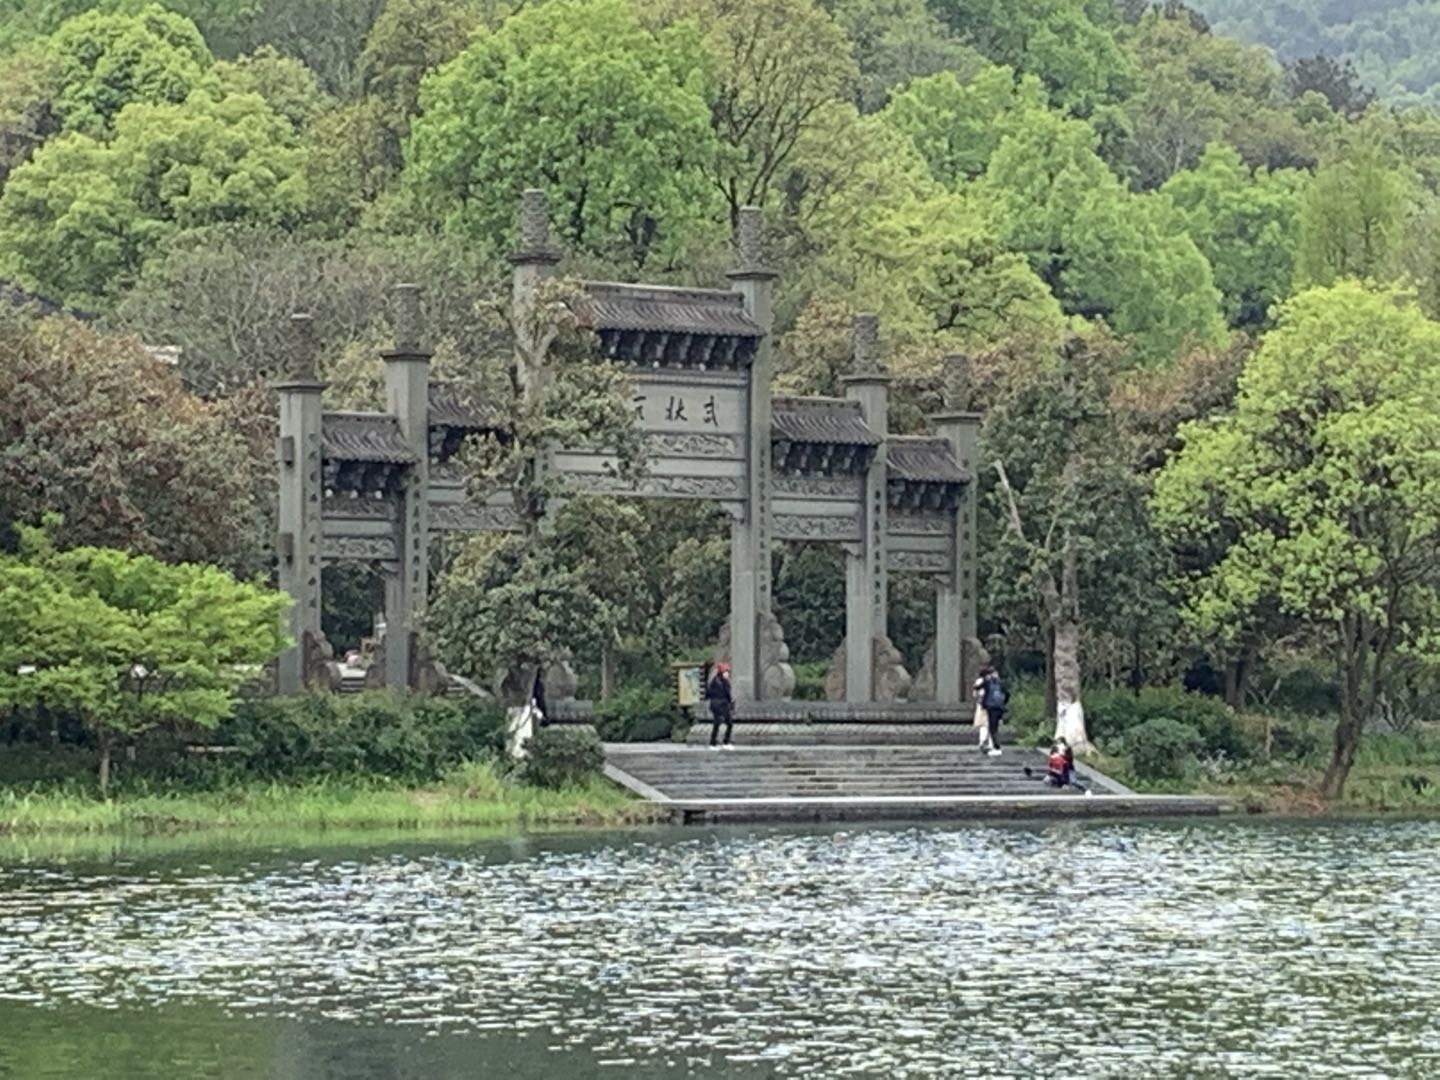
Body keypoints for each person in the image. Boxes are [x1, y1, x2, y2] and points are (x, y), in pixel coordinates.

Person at [975, 666, 1006, 757]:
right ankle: (993, 746)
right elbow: (1007, 693)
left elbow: (977, 687)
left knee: (992, 728)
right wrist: (1003, 702)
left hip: (990, 707)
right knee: (995, 728)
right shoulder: (1000, 683)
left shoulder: (987, 681)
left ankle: (996, 747)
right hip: (999, 708)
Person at [706, 662, 734, 750]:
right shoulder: (721, 682)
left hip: (718, 705)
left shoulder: (715, 681)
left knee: (722, 724)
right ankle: (717, 742)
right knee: (722, 723)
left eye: (728, 672)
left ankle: (716, 742)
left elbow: (708, 694)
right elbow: (727, 695)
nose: (728, 674)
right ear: (722, 673)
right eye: (726, 672)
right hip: (720, 705)